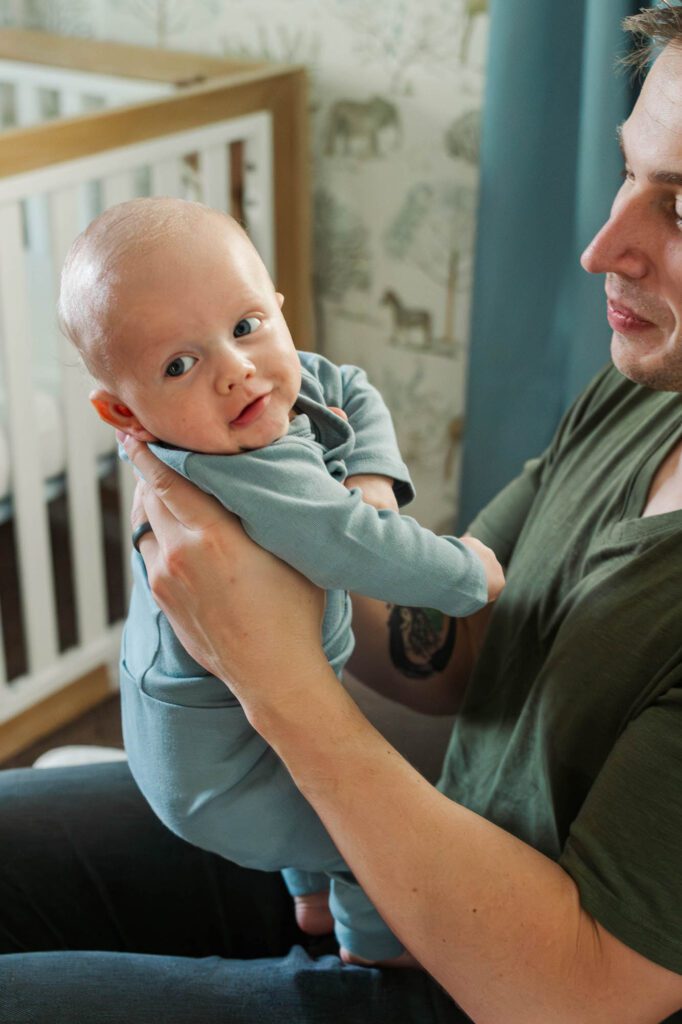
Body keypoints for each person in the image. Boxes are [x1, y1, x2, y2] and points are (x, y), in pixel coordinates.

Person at [1, 6, 682, 1023]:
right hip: (421, 828)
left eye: (681, 209)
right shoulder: (647, 388)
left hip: (498, 981)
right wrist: (279, 550)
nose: (600, 249)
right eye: (631, 173)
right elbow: (468, 636)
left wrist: (272, 675)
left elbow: (576, 995)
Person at [56, 197, 503, 965]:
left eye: (245, 325)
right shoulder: (244, 473)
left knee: (304, 803)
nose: (235, 372)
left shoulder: (272, 386)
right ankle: (373, 970)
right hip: (211, 774)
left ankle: (306, 902)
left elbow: (351, 388)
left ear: (277, 307)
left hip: (229, 721)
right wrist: (470, 577)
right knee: (362, 838)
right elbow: (359, 551)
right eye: (178, 365)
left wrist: (369, 480)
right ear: (119, 409)